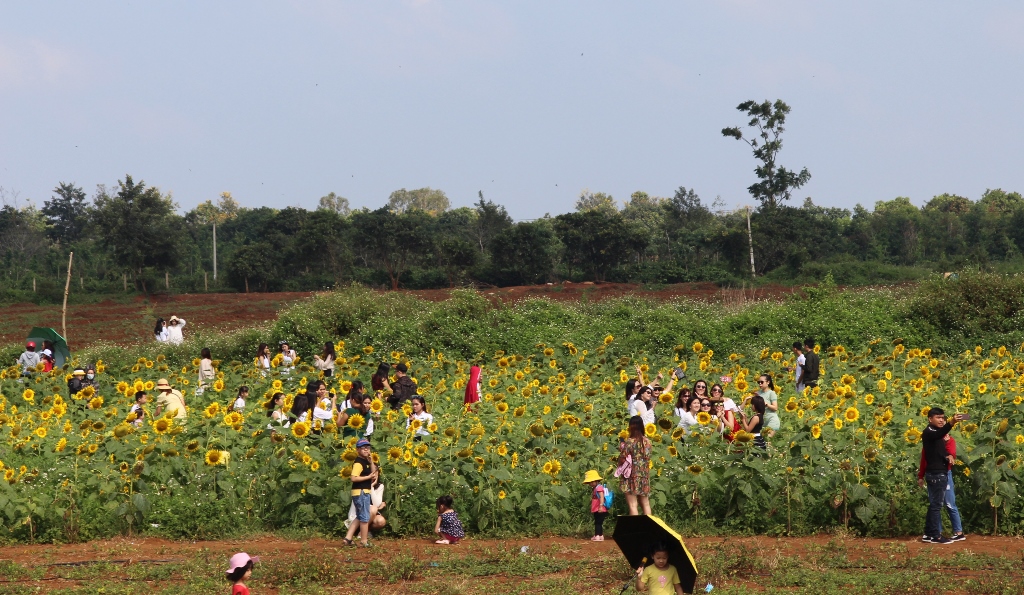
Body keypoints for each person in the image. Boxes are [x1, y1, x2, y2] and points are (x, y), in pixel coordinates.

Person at [920, 407, 967, 544]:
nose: (941, 420)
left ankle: (929, 534)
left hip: (938, 472)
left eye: (943, 418)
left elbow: (939, 449)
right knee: (936, 505)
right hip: (936, 473)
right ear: (930, 419)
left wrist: (948, 456)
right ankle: (936, 535)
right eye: (938, 417)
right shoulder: (929, 432)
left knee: (934, 504)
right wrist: (951, 423)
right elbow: (938, 434)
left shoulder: (938, 436)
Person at [344, 439, 378, 547]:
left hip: (363, 491)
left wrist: (371, 461)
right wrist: (367, 477)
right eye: (363, 448)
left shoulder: (366, 461)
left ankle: (348, 538)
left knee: (360, 516)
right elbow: (353, 478)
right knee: (364, 517)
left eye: (367, 448)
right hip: (361, 492)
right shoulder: (358, 462)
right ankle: (364, 541)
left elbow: (374, 473)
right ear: (358, 450)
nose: (366, 450)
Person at [619, 415, 653, 516]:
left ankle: (635, 528)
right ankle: (648, 527)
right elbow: (648, 457)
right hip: (644, 475)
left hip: (631, 476)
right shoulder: (647, 441)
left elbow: (622, 458)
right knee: (646, 504)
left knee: (633, 505)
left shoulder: (630, 442)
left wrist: (621, 448)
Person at [583, 469, 610, 542]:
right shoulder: (596, 488)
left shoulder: (599, 488)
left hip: (600, 508)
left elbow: (601, 496)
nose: (590, 483)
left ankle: (597, 536)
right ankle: (601, 536)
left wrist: (601, 506)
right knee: (599, 522)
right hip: (597, 508)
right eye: (589, 482)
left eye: (592, 481)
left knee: (597, 522)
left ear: (596, 480)